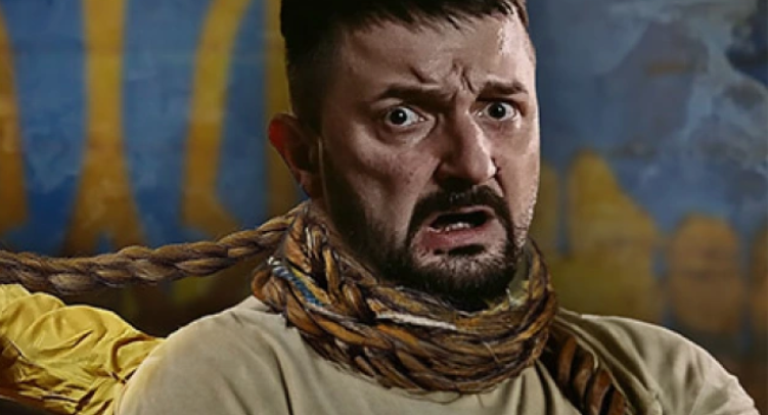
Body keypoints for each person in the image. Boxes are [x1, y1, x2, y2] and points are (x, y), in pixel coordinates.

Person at [0, 0, 758, 414]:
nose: (472, 163)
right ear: (305, 157)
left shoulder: (669, 382)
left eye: (500, 109)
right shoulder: (225, 384)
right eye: (404, 116)